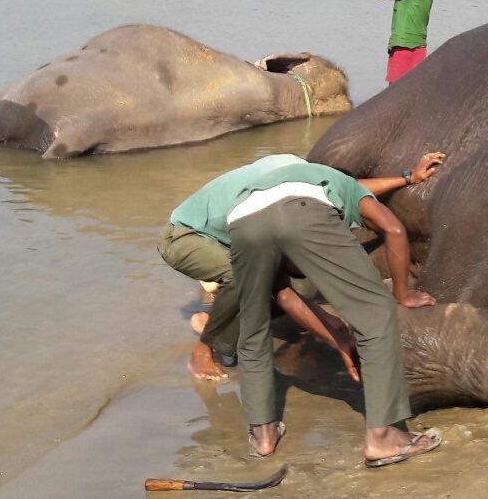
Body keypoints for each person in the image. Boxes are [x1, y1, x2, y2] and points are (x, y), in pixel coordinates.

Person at [227, 158, 443, 467]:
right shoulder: (340, 187)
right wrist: (402, 293)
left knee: (254, 326)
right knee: (376, 310)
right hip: (300, 211)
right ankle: (384, 438)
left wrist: (408, 178)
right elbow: (393, 228)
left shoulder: (301, 175)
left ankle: (263, 436)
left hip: (242, 220)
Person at [158, 151, 445, 380]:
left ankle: (219, 315)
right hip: (187, 234)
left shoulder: (307, 178)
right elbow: (284, 293)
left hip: (235, 233)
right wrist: (336, 333)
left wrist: (408, 178)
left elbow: (351, 188)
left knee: (300, 282)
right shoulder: (289, 190)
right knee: (246, 276)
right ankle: (202, 352)